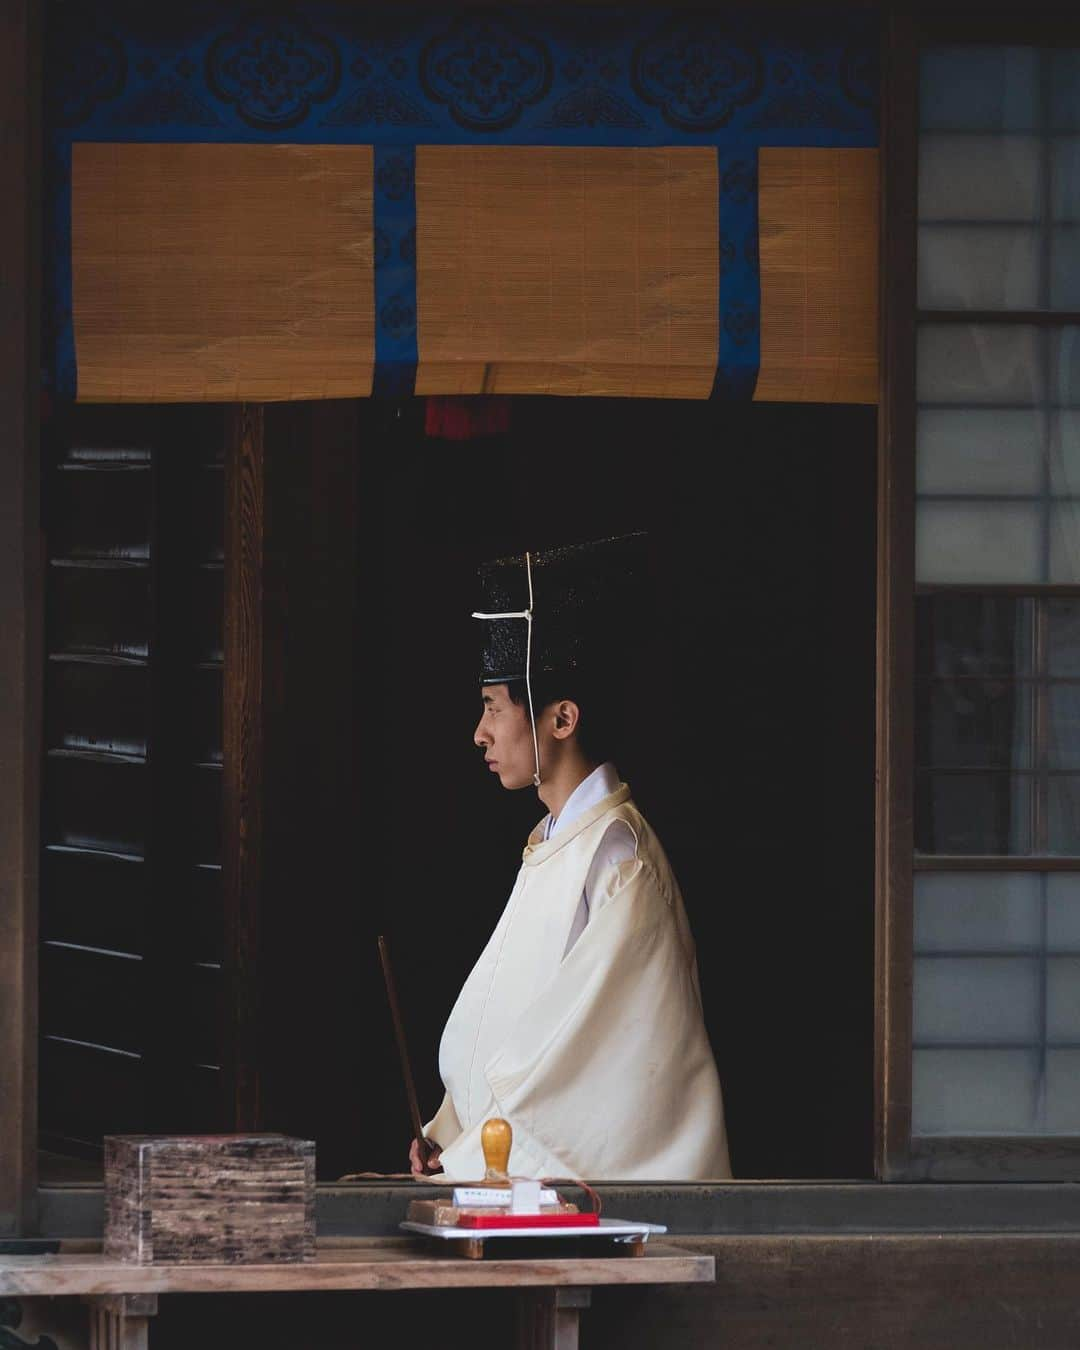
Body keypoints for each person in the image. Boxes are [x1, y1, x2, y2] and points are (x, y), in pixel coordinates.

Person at [409, 534, 730, 1181]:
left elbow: (592, 1077)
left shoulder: (617, 857)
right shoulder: (559, 842)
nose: (480, 733)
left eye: (494, 707)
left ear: (561, 719)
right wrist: (452, 1135)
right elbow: (517, 1019)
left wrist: (475, 1156)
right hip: (498, 1168)